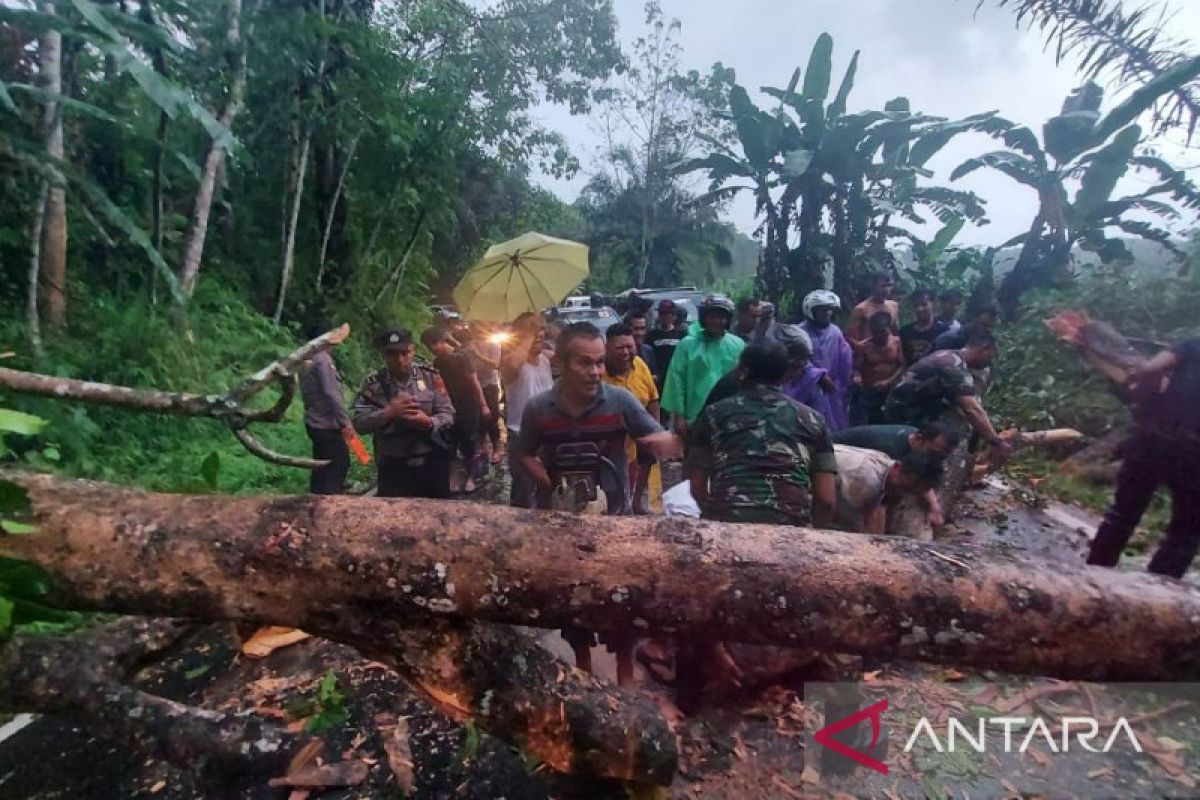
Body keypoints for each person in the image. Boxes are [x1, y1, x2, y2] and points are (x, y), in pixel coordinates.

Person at [515, 322, 682, 683]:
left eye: (598, 362)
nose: (594, 372)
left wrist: (675, 440)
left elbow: (652, 436)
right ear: (560, 362)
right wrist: (550, 483)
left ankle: (624, 667)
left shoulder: (620, 402)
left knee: (620, 598)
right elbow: (524, 453)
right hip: (561, 527)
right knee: (571, 598)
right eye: (584, 363)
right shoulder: (539, 409)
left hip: (614, 523)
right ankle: (582, 664)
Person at [686, 342, 838, 527]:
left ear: (742, 371)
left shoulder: (713, 414)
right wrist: (813, 534)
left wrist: (714, 515)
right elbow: (826, 499)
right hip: (791, 528)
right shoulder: (814, 420)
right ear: (784, 375)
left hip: (727, 524)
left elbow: (697, 486)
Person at [1088, 335, 1200, 578]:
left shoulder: (1192, 342)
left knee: (1121, 515)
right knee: (1185, 533)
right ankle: (1157, 595)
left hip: (1154, 436)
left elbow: (1151, 368)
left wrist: (1145, 398)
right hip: (1195, 454)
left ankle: (1093, 578)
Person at [353, 327, 455, 498]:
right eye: (392, 354)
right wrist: (389, 412)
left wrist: (429, 423)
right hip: (393, 467)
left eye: (404, 353)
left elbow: (449, 415)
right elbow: (358, 423)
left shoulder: (430, 377)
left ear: (413, 350)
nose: (400, 359)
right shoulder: (374, 385)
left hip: (431, 463)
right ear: (384, 356)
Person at [884, 332, 1013, 466]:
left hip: (919, 410)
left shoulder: (952, 357)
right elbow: (972, 409)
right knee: (947, 437)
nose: (990, 362)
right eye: (991, 356)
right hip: (904, 413)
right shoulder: (951, 363)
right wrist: (996, 441)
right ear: (984, 349)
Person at [834, 421, 961, 527]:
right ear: (919, 439)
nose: (937, 458)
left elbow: (918, 479)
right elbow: (875, 502)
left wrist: (934, 506)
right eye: (935, 452)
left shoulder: (917, 444)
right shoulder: (887, 449)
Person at [661, 296, 745, 435]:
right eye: (712, 317)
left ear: (728, 320)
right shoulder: (687, 345)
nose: (717, 321)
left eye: (721, 317)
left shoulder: (738, 345)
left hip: (730, 416)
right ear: (704, 318)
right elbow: (676, 380)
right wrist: (679, 415)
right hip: (693, 417)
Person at [602, 322, 661, 515]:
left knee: (644, 468)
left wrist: (654, 432)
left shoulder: (640, 365)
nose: (626, 352)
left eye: (630, 346)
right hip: (609, 446)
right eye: (620, 348)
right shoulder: (598, 373)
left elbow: (653, 398)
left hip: (638, 440)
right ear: (607, 348)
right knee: (613, 498)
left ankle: (637, 503)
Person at [422, 328, 490, 494]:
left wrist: (483, 405)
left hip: (468, 405)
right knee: (450, 442)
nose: (433, 348)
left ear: (442, 340)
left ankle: (471, 477)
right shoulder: (438, 363)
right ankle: (453, 478)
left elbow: (474, 381)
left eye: (434, 344)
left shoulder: (462, 357)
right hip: (449, 407)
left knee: (470, 441)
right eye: (429, 346)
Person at [501, 312, 554, 507]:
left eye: (541, 330)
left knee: (548, 487)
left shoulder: (545, 359)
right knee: (523, 490)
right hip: (521, 434)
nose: (539, 335)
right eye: (533, 331)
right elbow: (513, 365)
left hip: (548, 432)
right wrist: (527, 335)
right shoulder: (510, 361)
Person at [832, 445, 946, 534]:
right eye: (906, 487)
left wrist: (934, 506)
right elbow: (852, 518)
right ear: (897, 468)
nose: (903, 493)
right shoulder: (866, 480)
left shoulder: (887, 467)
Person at [298, 332, 354, 495]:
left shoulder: (306, 360)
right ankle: (330, 501)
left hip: (313, 421)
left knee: (320, 464)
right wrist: (345, 422)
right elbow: (331, 393)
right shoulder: (322, 360)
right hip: (325, 423)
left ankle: (315, 498)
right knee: (339, 463)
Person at [800, 290, 854, 431]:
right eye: (822, 310)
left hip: (833, 392)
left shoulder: (835, 332)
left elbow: (845, 360)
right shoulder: (799, 333)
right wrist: (819, 375)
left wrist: (846, 386)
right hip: (806, 389)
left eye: (829, 310)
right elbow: (797, 359)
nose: (827, 313)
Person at [851, 311, 905, 426]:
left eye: (882, 332)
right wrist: (857, 377)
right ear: (871, 330)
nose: (879, 336)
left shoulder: (896, 342)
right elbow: (857, 368)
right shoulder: (864, 346)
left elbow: (901, 365)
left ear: (888, 328)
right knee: (863, 424)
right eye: (876, 333)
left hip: (889, 391)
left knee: (888, 422)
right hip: (869, 392)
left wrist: (888, 381)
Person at [466, 323, 504, 465]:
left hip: (490, 384)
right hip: (474, 384)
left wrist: (477, 353)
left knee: (492, 416)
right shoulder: (471, 345)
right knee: (478, 417)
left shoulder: (493, 344)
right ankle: (482, 447)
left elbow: (495, 364)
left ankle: (496, 448)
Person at [899, 289, 949, 366]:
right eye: (916, 305)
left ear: (933, 304)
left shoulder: (944, 331)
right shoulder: (905, 331)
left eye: (924, 304)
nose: (919, 309)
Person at [847, 273, 899, 346]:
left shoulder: (893, 306)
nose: (887, 290)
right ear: (873, 286)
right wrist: (864, 348)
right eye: (883, 286)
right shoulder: (861, 309)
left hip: (889, 352)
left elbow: (895, 333)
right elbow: (851, 339)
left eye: (889, 285)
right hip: (869, 353)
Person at [646, 299, 687, 388]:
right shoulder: (652, 335)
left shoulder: (681, 334)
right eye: (661, 314)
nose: (663, 317)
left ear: (674, 316)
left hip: (676, 376)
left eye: (666, 314)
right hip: (658, 377)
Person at [932, 304, 998, 352]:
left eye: (991, 327)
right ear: (973, 319)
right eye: (984, 325)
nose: (988, 330)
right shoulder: (950, 339)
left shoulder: (982, 343)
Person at [625, 310, 659, 379]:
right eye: (636, 329)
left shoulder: (648, 351)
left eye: (642, 328)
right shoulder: (621, 353)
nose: (640, 333)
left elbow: (654, 374)